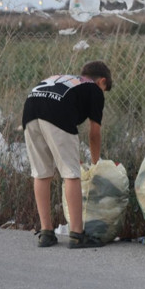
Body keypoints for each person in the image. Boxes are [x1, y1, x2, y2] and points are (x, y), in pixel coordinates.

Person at [22, 61, 113, 249]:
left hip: (30, 111)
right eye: (105, 89)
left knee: (41, 173)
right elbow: (94, 133)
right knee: (72, 174)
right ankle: (77, 235)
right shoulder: (94, 89)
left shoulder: (68, 80)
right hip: (56, 113)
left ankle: (46, 233)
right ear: (102, 81)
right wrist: (95, 164)